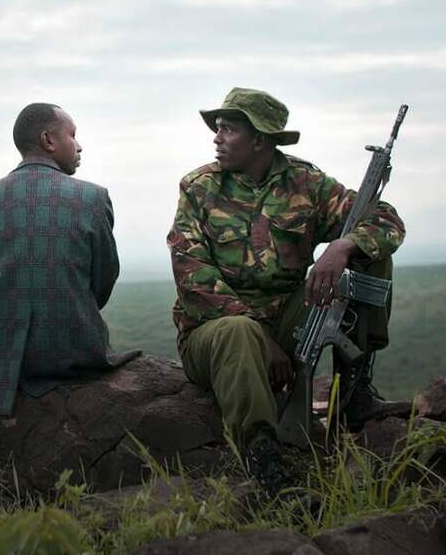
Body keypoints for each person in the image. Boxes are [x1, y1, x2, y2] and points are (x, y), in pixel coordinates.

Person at [167, 87, 405, 491]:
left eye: (228, 128)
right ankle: (264, 458)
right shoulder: (199, 187)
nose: (216, 137)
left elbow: (386, 222)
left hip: (288, 320)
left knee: (370, 254)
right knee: (239, 332)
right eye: (217, 128)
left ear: (260, 138)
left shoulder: (306, 182)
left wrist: (342, 246)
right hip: (219, 331)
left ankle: (355, 390)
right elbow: (193, 276)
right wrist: (260, 335)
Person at [0, 103, 141, 415]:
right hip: (73, 351)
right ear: (49, 141)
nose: (79, 145)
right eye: (73, 135)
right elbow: (103, 280)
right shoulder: (93, 198)